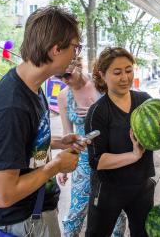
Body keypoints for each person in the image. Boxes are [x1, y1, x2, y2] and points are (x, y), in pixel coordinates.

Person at [0, 6, 87, 237]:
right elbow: (3, 194)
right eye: (75, 47)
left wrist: (59, 142)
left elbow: (25, 143)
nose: (76, 55)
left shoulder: (32, 86)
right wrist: (57, 165)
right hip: (21, 224)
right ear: (56, 49)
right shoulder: (11, 106)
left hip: (37, 212)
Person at [84, 47, 160, 237]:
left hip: (141, 187)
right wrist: (133, 156)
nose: (125, 77)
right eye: (117, 72)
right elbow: (96, 160)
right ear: (102, 74)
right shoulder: (97, 112)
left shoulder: (145, 101)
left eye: (129, 70)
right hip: (108, 190)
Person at [56, 57, 126, 237]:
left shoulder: (101, 84)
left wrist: (96, 112)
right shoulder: (64, 96)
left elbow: (121, 117)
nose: (64, 79)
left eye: (67, 74)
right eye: (59, 77)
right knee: (76, 210)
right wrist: (62, 167)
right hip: (83, 160)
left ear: (76, 64)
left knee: (116, 211)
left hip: (110, 155)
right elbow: (67, 134)